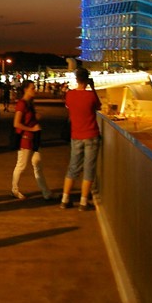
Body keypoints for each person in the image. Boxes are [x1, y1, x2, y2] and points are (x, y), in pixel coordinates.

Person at [61, 67, 101, 211]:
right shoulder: (90, 96)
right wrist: (93, 87)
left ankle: (65, 199)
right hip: (91, 135)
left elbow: (69, 107)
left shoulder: (70, 95)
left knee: (73, 167)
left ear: (76, 79)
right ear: (87, 79)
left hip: (76, 135)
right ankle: (84, 202)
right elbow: (98, 106)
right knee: (89, 169)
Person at [11, 80, 53, 201]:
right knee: (22, 166)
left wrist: (35, 118)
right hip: (25, 139)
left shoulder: (30, 103)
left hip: (34, 139)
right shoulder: (22, 104)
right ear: (25, 89)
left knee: (38, 164)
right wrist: (32, 128)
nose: (35, 90)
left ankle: (46, 193)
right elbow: (16, 123)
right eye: (32, 88)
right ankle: (15, 189)